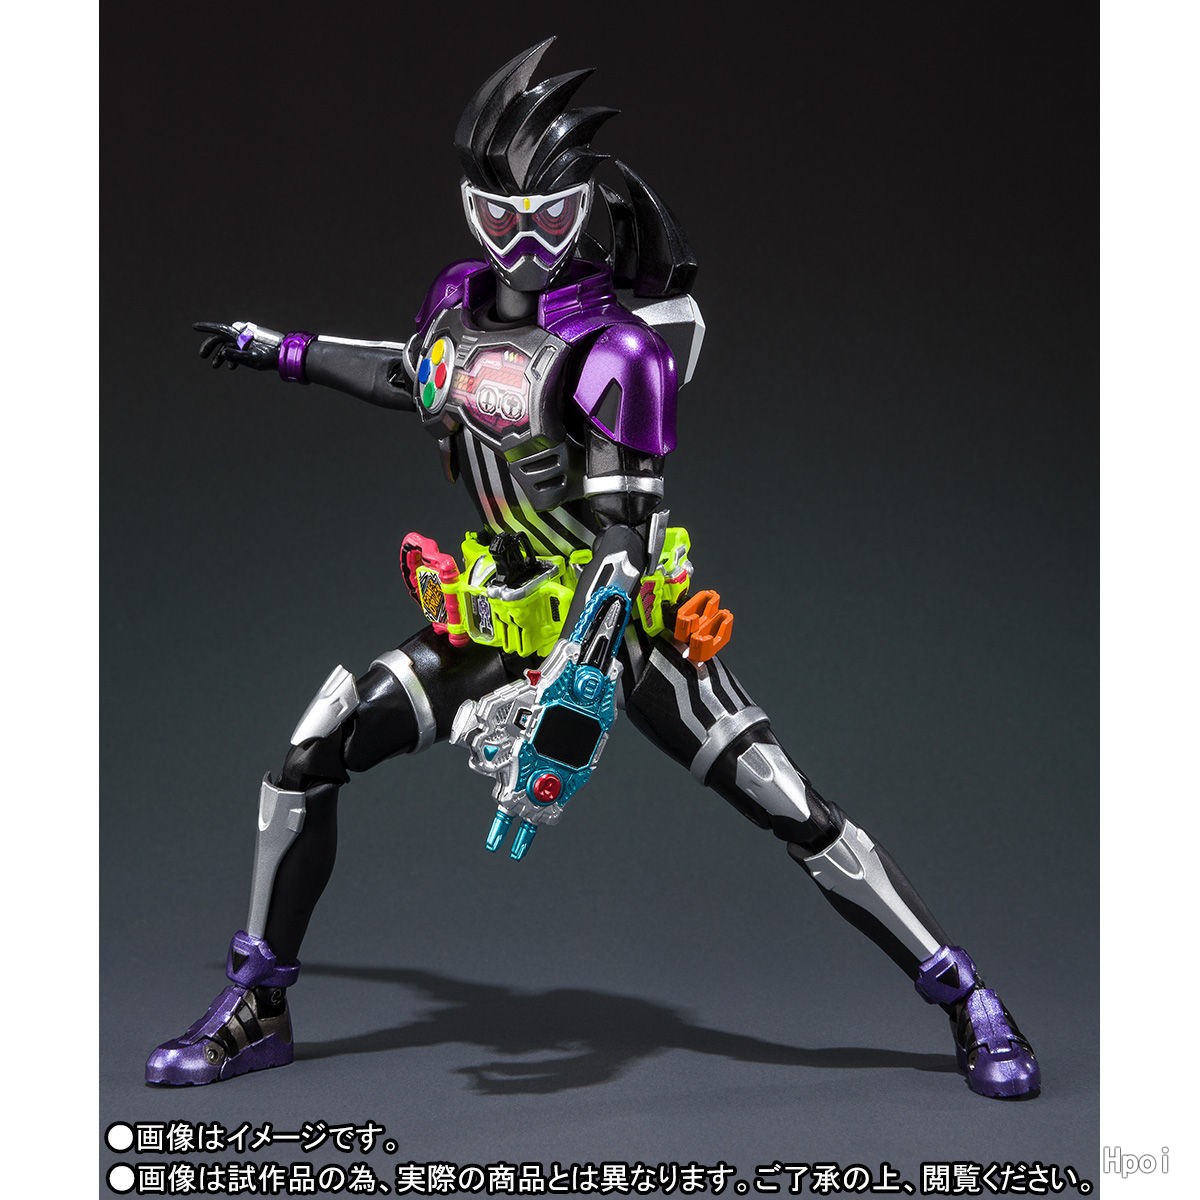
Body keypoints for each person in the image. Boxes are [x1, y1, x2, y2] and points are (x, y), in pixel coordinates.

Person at [146, 38, 1039, 1100]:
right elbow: (412, 374)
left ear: (586, 208)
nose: (526, 243)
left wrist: (576, 685)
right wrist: (279, 349)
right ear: (471, 210)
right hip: (499, 612)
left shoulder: (618, 349)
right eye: (502, 219)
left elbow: (623, 541)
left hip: (624, 629)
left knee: (785, 799)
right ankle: (258, 1005)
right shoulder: (456, 301)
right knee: (313, 748)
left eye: (552, 217)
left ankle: (966, 995)